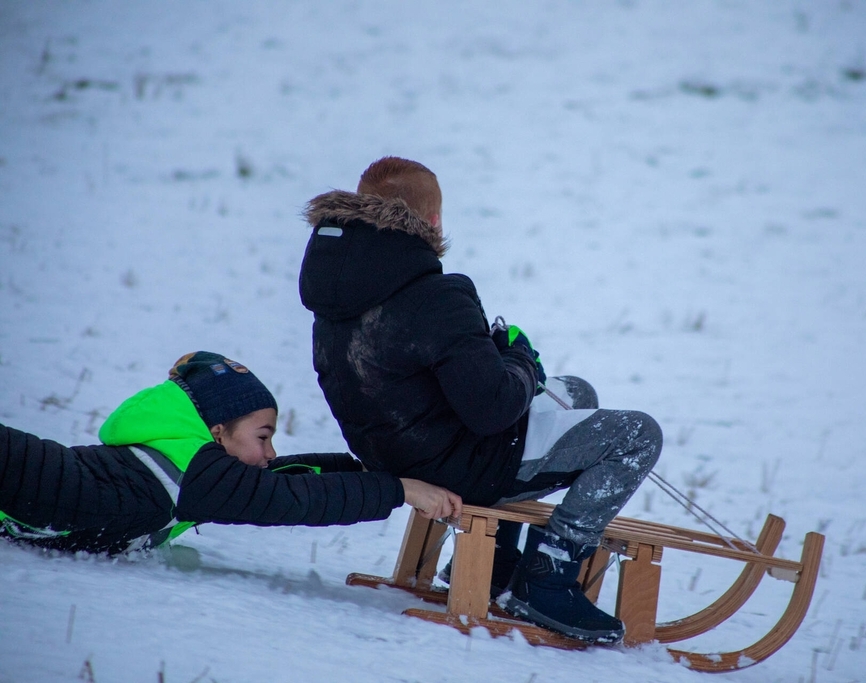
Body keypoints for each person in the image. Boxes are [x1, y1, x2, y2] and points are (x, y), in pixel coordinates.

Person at [298, 157, 662, 643]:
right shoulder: (438, 294)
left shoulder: (335, 297)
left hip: (395, 455)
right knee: (637, 435)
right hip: (462, 467)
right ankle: (547, 578)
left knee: (576, 393)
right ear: (432, 222)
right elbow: (492, 409)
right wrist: (520, 359)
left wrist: (494, 358)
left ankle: (493, 564)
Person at [0, 351, 462, 556]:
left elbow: (281, 479)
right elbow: (292, 500)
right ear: (218, 433)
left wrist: (363, 469)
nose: (270, 451)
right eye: (263, 437)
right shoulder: (192, 474)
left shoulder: (188, 465)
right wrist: (399, 489)